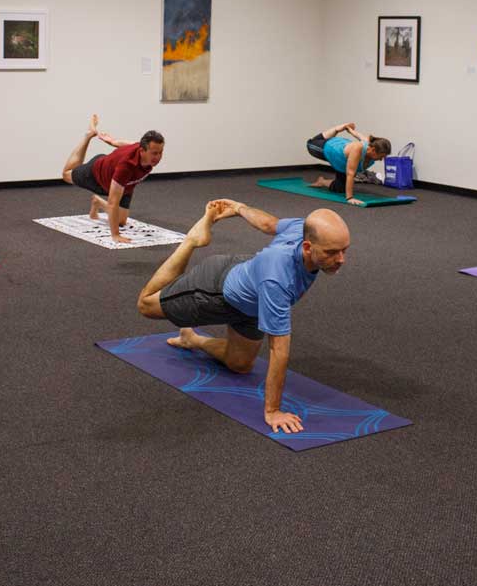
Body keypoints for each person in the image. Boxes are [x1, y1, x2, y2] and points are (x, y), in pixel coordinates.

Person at [136, 200, 350, 433]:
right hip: (215, 290)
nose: (341, 259)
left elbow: (269, 224)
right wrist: (273, 410)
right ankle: (192, 241)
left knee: (240, 365)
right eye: (331, 253)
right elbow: (279, 350)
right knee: (146, 305)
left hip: (252, 298)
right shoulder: (278, 279)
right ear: (307, 247)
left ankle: (192, 339)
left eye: (344, 250)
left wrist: (239, 208)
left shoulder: (303, 228)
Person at [61, 114, 164, 244]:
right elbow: (113, 202)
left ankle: (97, 201)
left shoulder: (142, 149)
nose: (158, 157)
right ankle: (88, 136)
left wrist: (113, 142)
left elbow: (130, 143)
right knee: (66, 175)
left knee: (121, 221)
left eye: (160, 152)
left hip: (126, 183)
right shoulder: (126, 166)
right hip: (96, 174)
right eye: (154, 153)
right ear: (142, 151)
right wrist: (115, 235)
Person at [305, 122, 392, 205]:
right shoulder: (357, 148)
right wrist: (350, 198)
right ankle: (336, 129)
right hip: (330, 148)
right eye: (381, 156)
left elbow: (358, 135)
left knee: (339, 188)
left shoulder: (370, 144)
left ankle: (321, 181)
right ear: (373, 150)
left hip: (341, 161)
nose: (381, 159)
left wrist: (350, 130)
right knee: (310, 144)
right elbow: (350, 173)